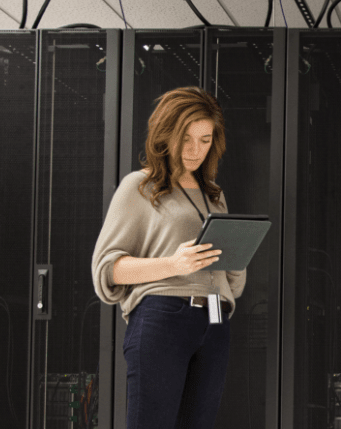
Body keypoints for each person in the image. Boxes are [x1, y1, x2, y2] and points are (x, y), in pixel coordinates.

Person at [91, 86, 243, 429]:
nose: (195, 150)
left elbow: (235, 282)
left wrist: (236, 255)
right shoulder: (140, 187)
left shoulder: (214, 196)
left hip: (217, 318)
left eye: (205, 140)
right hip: (164, 315)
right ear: (166, 135)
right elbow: (107, 269)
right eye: (186, 138)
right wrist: (174, 264)